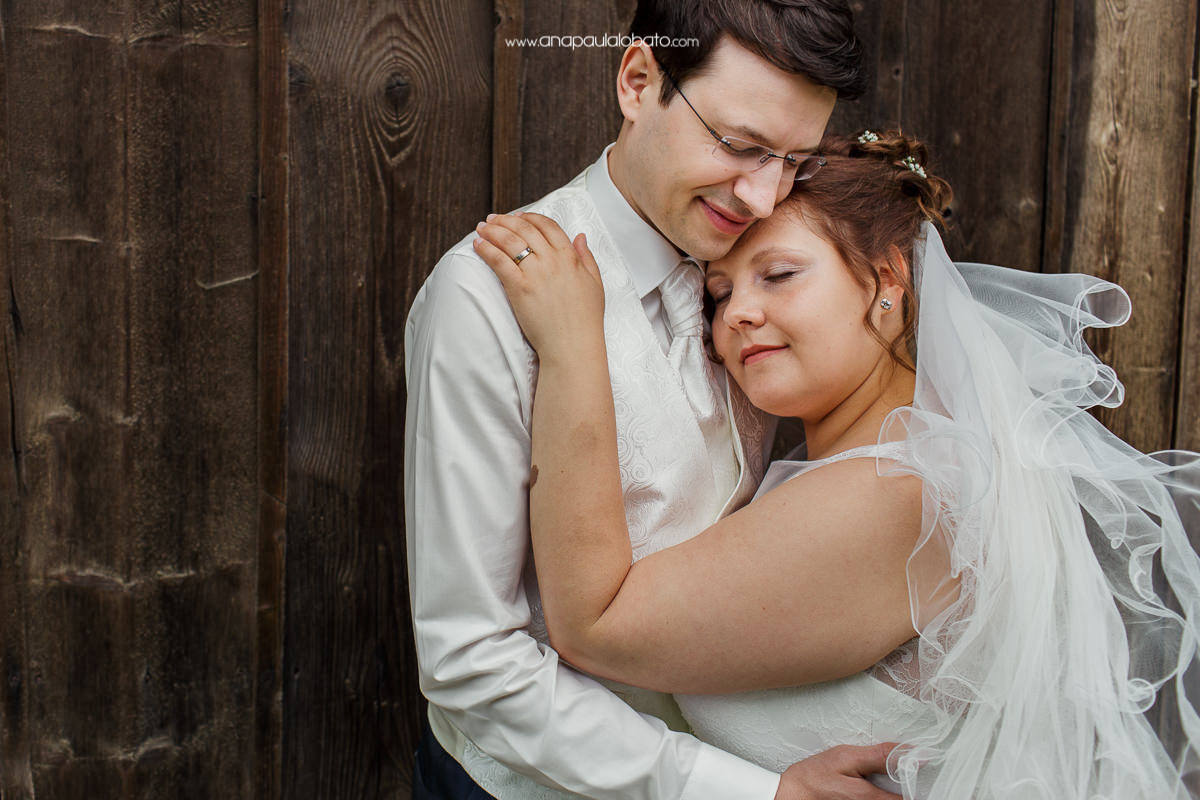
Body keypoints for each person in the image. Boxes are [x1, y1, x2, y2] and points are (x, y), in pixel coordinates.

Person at [473, 129, 1200, 798]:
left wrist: (572, 345)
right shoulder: (863, 469)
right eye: (719, 294)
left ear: (886, 281)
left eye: (779, 274)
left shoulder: (897, 493)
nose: (736, 315)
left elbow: (594, 627)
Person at [404, 2, 903, 798]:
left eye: (793, 161)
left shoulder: (753, 270)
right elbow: (472, 664)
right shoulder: (488, 297)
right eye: (740, 145)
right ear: (638, 81)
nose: (764, 193)